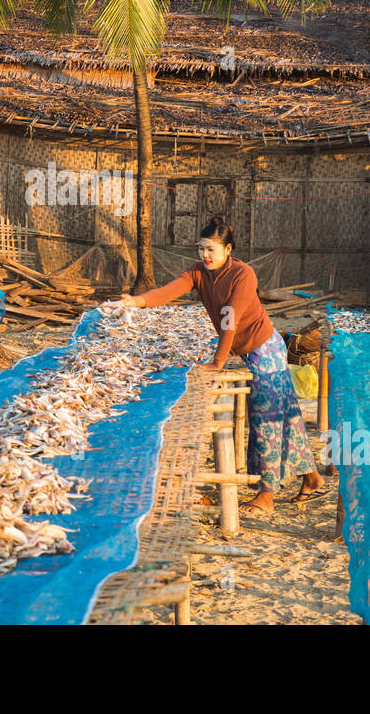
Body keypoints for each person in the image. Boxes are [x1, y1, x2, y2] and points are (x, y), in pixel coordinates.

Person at [118, 217, 324, 514]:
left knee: (266, 420)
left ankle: (266, 495)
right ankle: (312, 477)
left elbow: (230, 317)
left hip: (265, 350)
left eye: (211, 250)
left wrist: (218, 361)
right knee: (287, 416)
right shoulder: (199, 273)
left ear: (228, 249)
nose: (205, 255)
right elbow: (168, 291)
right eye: (201, 249)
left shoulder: (244, 274)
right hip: (246, 351)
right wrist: (138, 302)